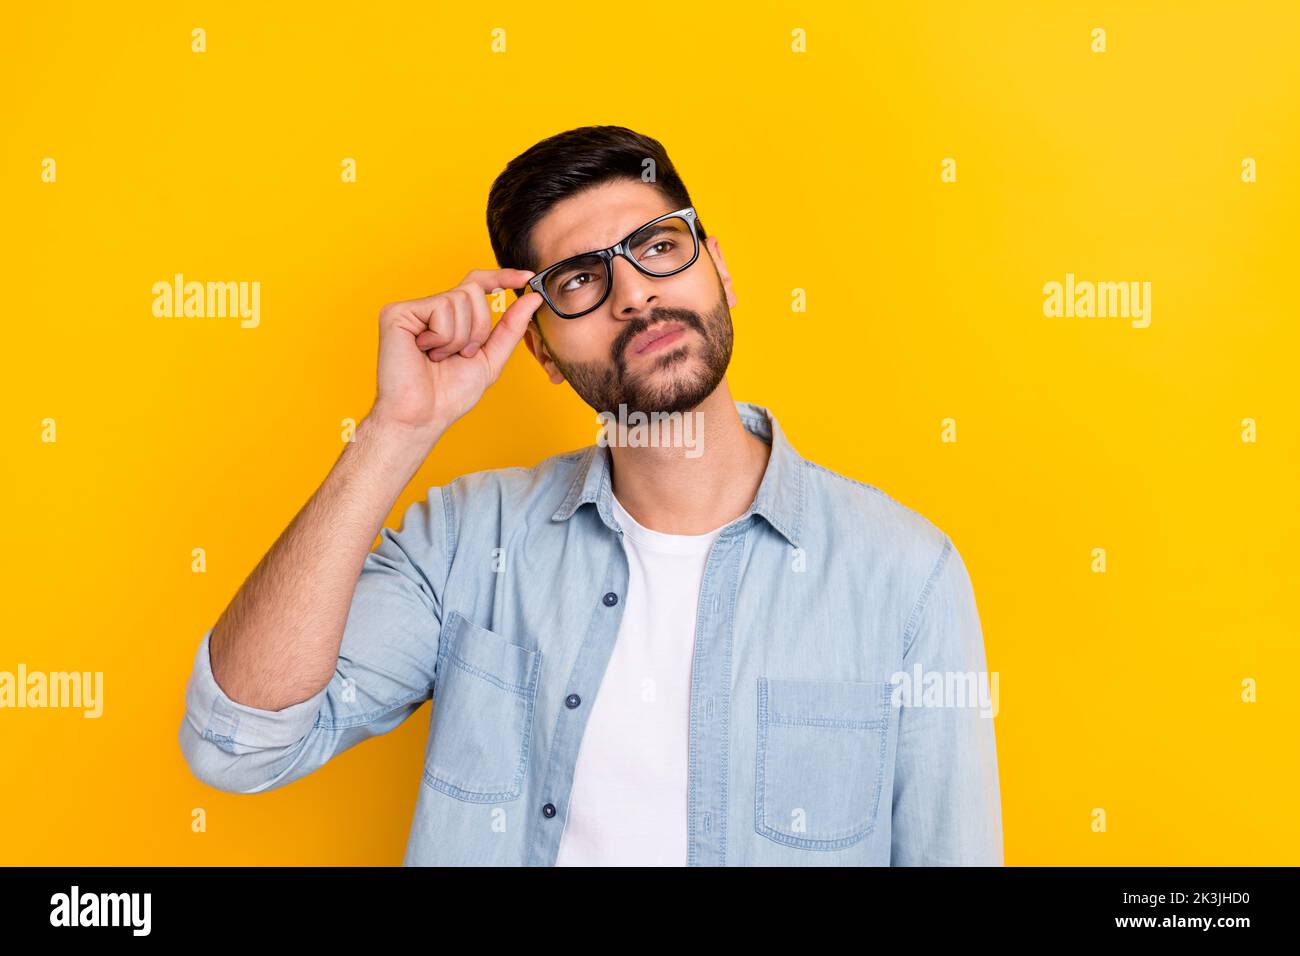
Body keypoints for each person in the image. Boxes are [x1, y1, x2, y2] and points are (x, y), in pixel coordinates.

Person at [178, 125, 1003, 866]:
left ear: (718, 268)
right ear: (538, 348)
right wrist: (399, 428)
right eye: (578, 280)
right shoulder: (468, 540)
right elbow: (237, 744)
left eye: (657, 247)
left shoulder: (904, 573)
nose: (635, 293)